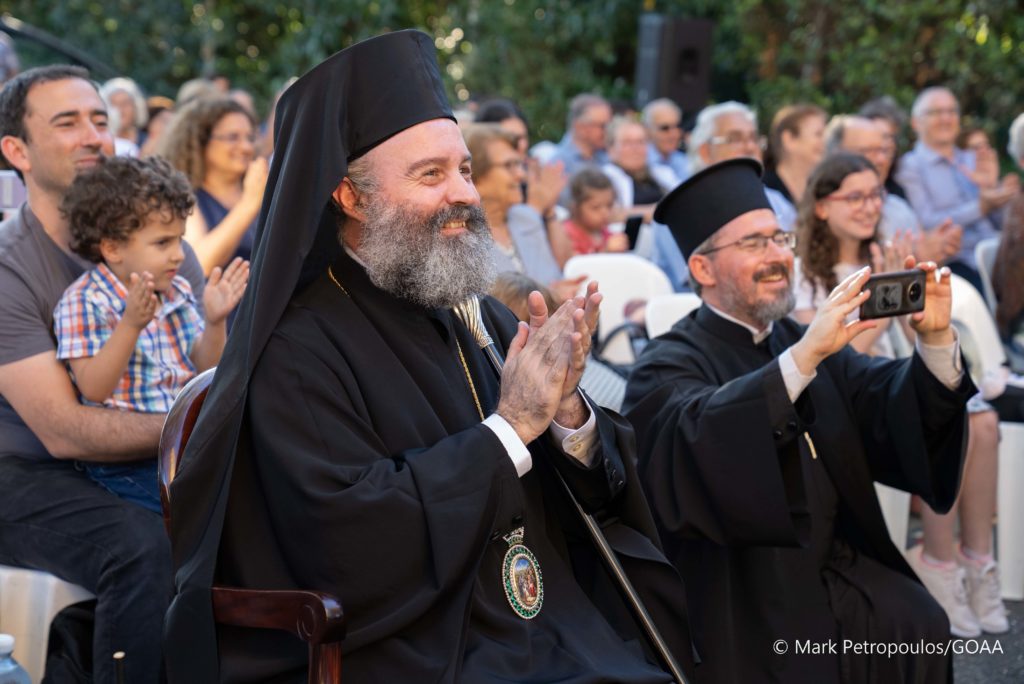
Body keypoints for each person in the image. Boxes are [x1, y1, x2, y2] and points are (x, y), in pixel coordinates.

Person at [164, 30, 694, 683]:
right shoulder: (296, 351)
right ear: (351, 197)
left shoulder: (481, 313)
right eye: (431, 175)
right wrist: (510, 429)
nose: (465, 194)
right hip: (417, 648)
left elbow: (592, 487)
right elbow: (346, 540)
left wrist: (567, 412)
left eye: (465, 169)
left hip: (542, 625)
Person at [624, 158, 975, 683]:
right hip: (743, 588)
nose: (776, 257)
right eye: (753, 244)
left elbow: (882, 401)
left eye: (779, 239)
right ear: (702, 269)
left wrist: (936, 341)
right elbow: (695, 437)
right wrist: (800, 363)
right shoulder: (667, 362)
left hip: (834, 565)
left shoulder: (798, 340)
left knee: (919, 622)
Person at [0, 64, 207, 684]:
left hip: (151, 464)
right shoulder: (11, 267)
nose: (94, 135)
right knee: (142, 546)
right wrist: (200, 426)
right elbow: (63, 429)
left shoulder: (168, 249)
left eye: (100, 119)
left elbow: (205, 362)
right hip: (27, 472)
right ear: (17, 151)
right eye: (67, 123)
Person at [791, 154, 1007, 637]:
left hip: (891, 382)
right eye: (855, 197)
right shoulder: (804, 273)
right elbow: (825, 362)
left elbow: (912, 348)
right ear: (822, 206)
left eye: (875, 195)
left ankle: (978, 563)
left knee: (981, 421)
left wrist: (913, 308)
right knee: (940, 419)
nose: (869, 207)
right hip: (843, 402)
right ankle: (938, 560)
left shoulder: (885, 255)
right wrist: (884, 304)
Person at [53, 156, 248, 513]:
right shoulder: (84, 301)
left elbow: (204, 369)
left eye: (179, 240)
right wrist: (130, 326)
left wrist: (216, 320)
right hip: (124, 463)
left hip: (183, 446)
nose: (178, 255)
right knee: (192, 517)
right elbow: (94, 388)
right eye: (162, 243)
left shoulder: (175, 291)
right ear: (112, 247)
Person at [896, 86, 1020, 290]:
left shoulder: (973, 158)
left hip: (1002, 254)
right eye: (936, 112)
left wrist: (994, 191)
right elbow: (927, 222)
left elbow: (1001, 224)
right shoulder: (910, 167)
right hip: (956, 265)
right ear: (915, 123)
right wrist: (980, 207)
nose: (946, 118)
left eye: (952, 111)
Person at [464, 123, 583, 302]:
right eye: (509, 166)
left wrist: (548, 209)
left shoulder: (526, 218)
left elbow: (557, 275)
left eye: (519, 164)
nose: (521, 175)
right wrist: (551, 296)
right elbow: (487, 309)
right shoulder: (462, 235)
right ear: (475, 175)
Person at [825, 114, 962, 263]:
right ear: (836, 155)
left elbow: (920, 259)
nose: (881, 160)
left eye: (884, 151)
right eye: (868, 151)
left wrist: (934, 248)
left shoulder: (897, 208)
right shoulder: (826, 208)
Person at [155, 96, 268, 275]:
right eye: (232, 137)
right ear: (200, 142)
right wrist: (248, 205)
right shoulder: (184, 196)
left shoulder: (262, 190)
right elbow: (199, 264)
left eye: (250, 137)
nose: (246, 147)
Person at [688, 101, 798, 230]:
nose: (750, 147)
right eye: (735, 139)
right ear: (705, 152)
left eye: (754, 138)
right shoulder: (685, 209)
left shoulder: (777, 202)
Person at [602, 117, 679, 223]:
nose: (635, 148)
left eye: (641, 142)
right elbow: (609, 214)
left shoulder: (663, 173)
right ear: (610, 149)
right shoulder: (604, 179)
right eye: (627, 143)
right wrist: (659, 211)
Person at [764, 103, 827, 209]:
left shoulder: (824, 190)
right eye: (818, 134)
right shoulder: (765, 193)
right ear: (789, 139)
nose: (825, 141)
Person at [562, 168, 628, 256]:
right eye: (595, 207)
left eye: (609, 206)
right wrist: (606, 252)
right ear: (576, 207)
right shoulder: (567, 234)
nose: (605, 213)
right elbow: (575, 266)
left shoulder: (605, 233)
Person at [642, 98, 690, 185]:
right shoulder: (639, 161)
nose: (674, 134)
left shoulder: (682, 160)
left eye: (677, 126)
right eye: (665, 128)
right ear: (648, 130)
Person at [99, 77, 147, 156]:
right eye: (114, 104)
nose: (120, 110)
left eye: (125, 103)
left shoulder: (147, 141)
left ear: (136, 106)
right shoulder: (101, 142)